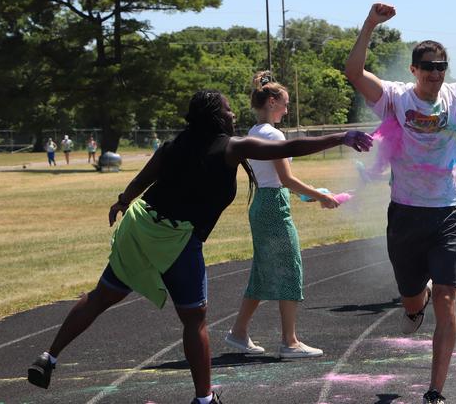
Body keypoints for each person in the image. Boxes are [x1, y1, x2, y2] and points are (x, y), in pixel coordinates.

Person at [26, 90, 373, 404]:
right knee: (194, 320)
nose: (232, 114)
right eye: (226, 109)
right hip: (178, 239)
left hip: (141, 225)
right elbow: (288, 147)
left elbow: (145, 179)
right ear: (214, 116)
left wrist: (122, 201)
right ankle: (204, 400)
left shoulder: (174, 146)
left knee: (102, 295)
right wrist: (342, 136)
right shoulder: (231, 147)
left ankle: (49, 356)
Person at [344, 0, 456, 404]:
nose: (435, 73)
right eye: (428, 67)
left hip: (447, 213)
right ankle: (411, 310)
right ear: (414, 68)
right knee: (411, 297)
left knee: (445, 299)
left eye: (441, 66)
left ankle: (435, 390)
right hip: (405, 214)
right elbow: (353, 71)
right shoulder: (395, 97)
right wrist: (369, 25)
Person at [224, 71, 339, 359]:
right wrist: (321, 195)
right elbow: (285, 178)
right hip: (274, 204)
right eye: (285, 104)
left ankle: (238, 333)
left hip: (262, 201)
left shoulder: (253, 132)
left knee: (262, 273)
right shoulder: (274, 134)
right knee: (291, 268)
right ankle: (290, 342)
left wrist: (305, 192)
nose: (286, 110)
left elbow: (274, 178)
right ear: (273, 101)